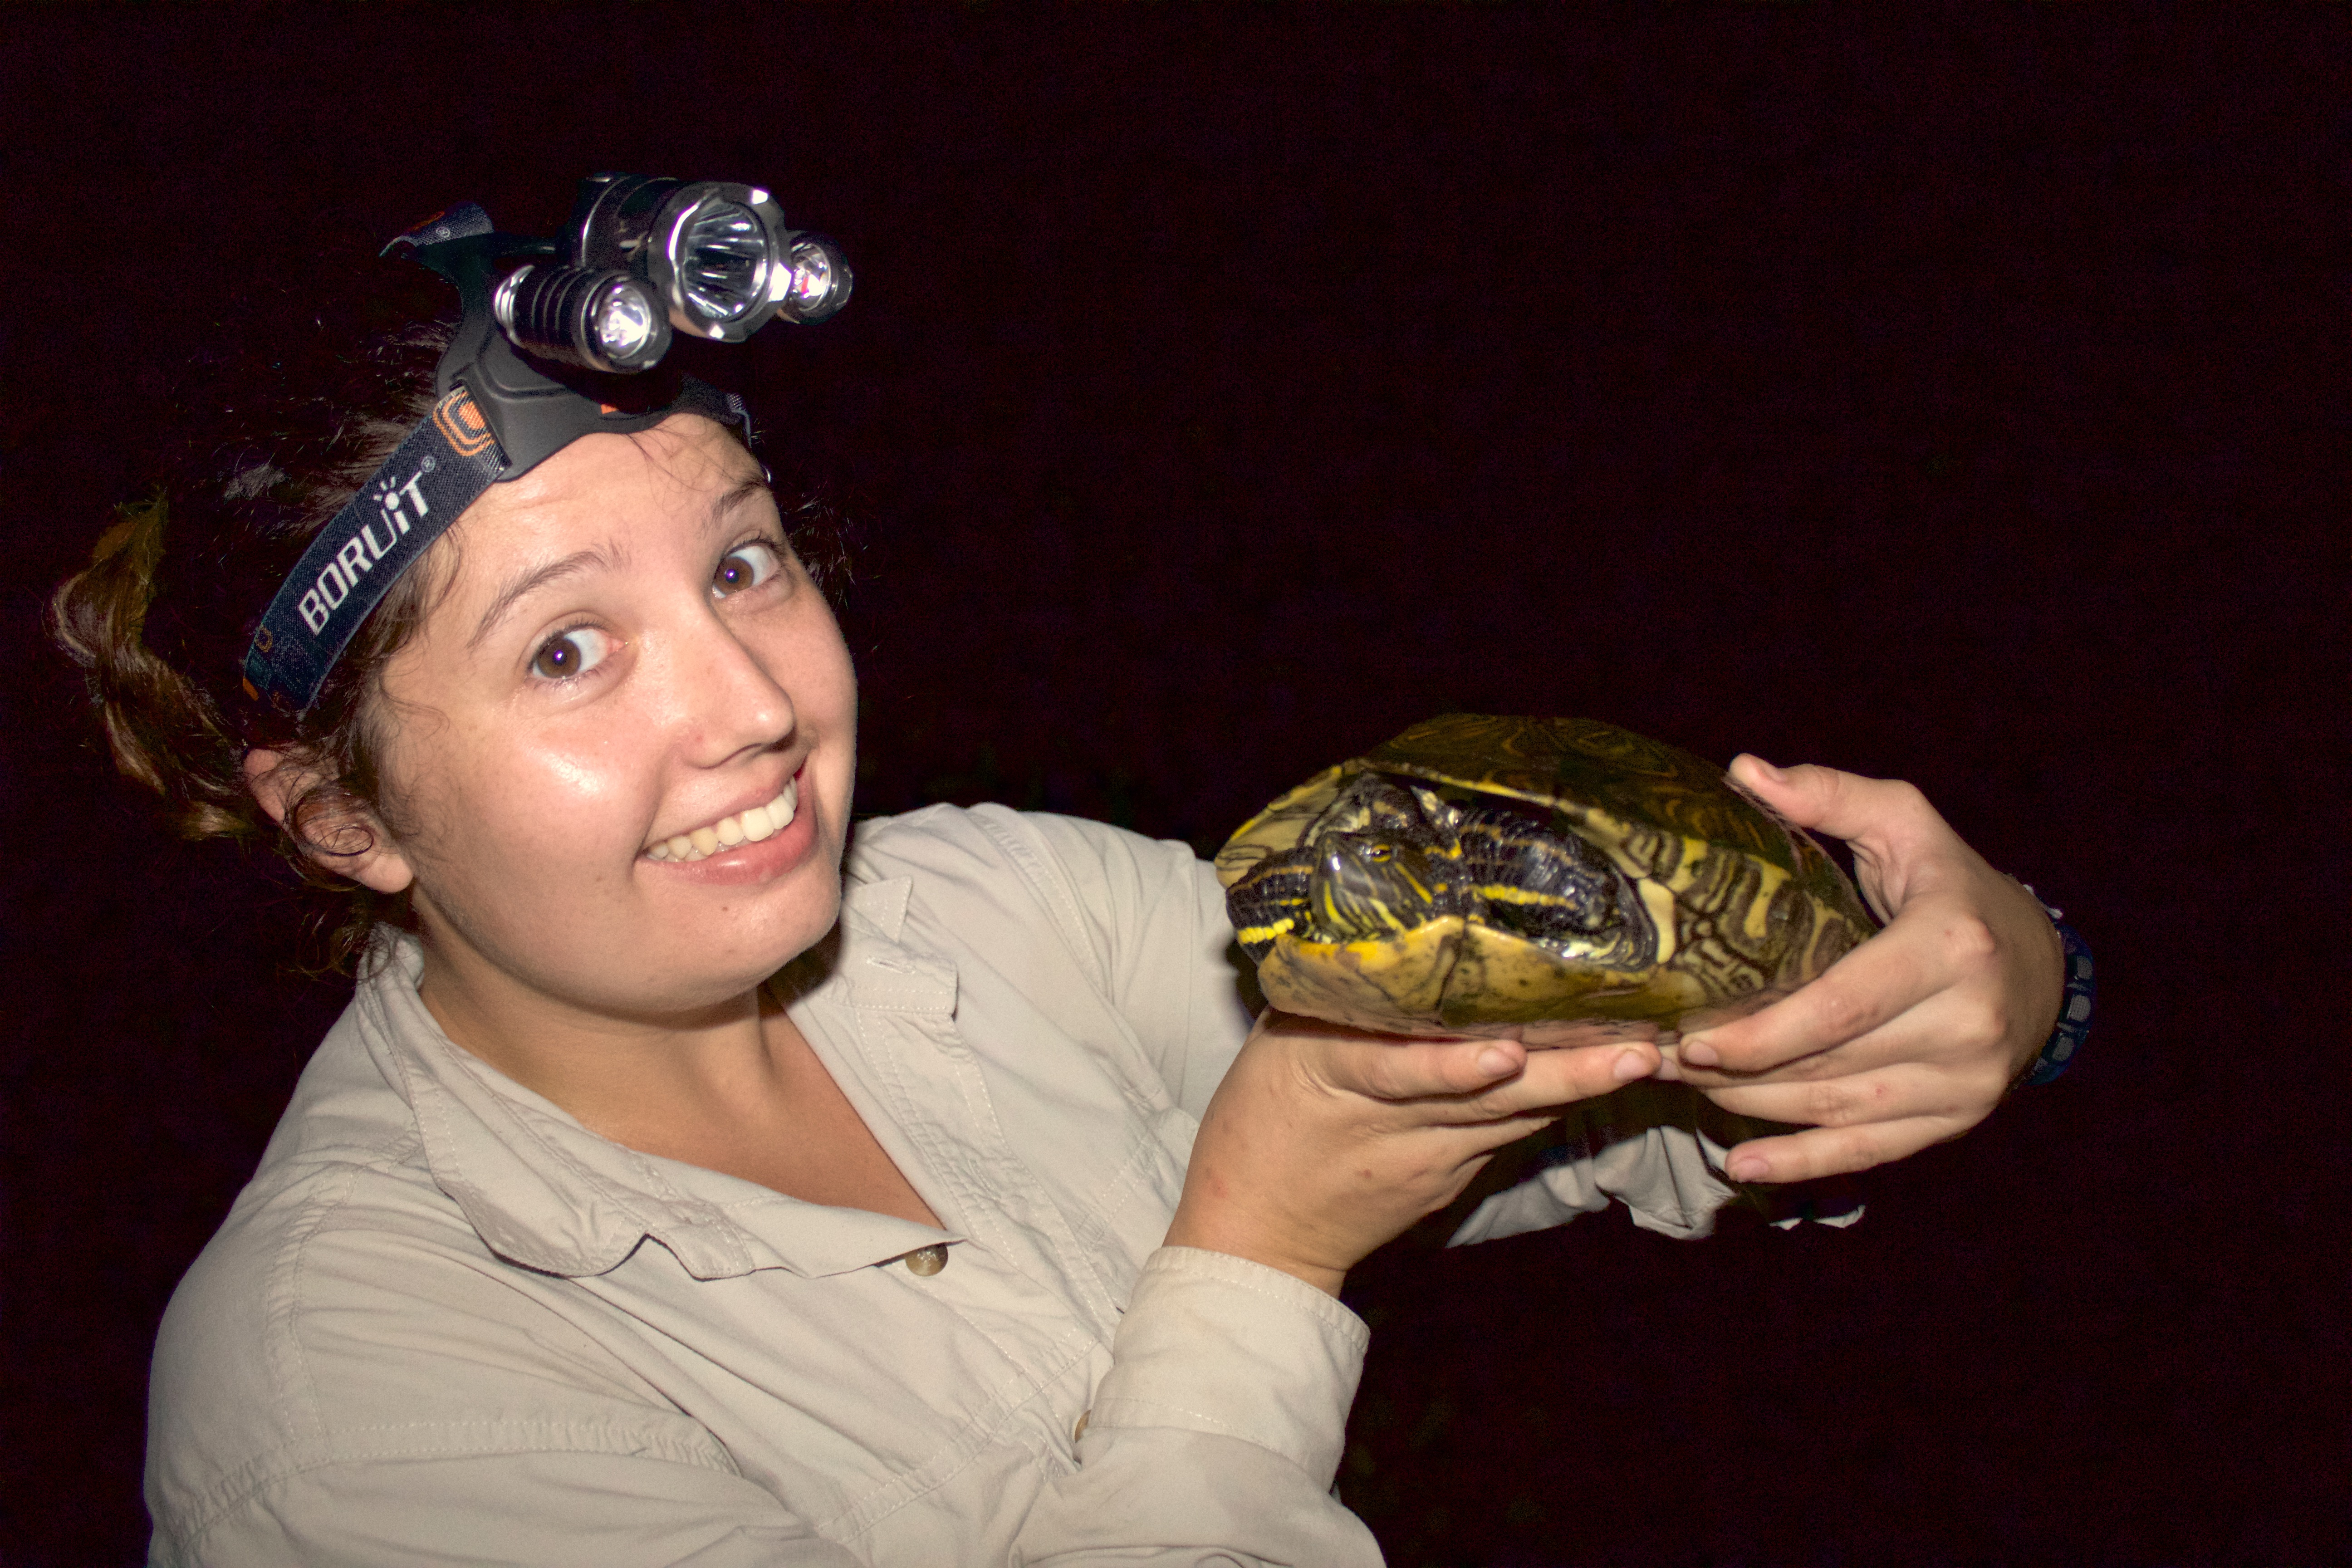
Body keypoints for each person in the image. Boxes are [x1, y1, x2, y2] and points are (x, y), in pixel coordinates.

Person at [54, 213, 2077, 1566]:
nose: (756, 707)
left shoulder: (993, 908)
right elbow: (1289, 1192)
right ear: (344, 823)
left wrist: (1952, 1005)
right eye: (567, 649)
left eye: (745, 563)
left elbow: (1523, 1091)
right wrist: (1262, 1256)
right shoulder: (338, 1405)